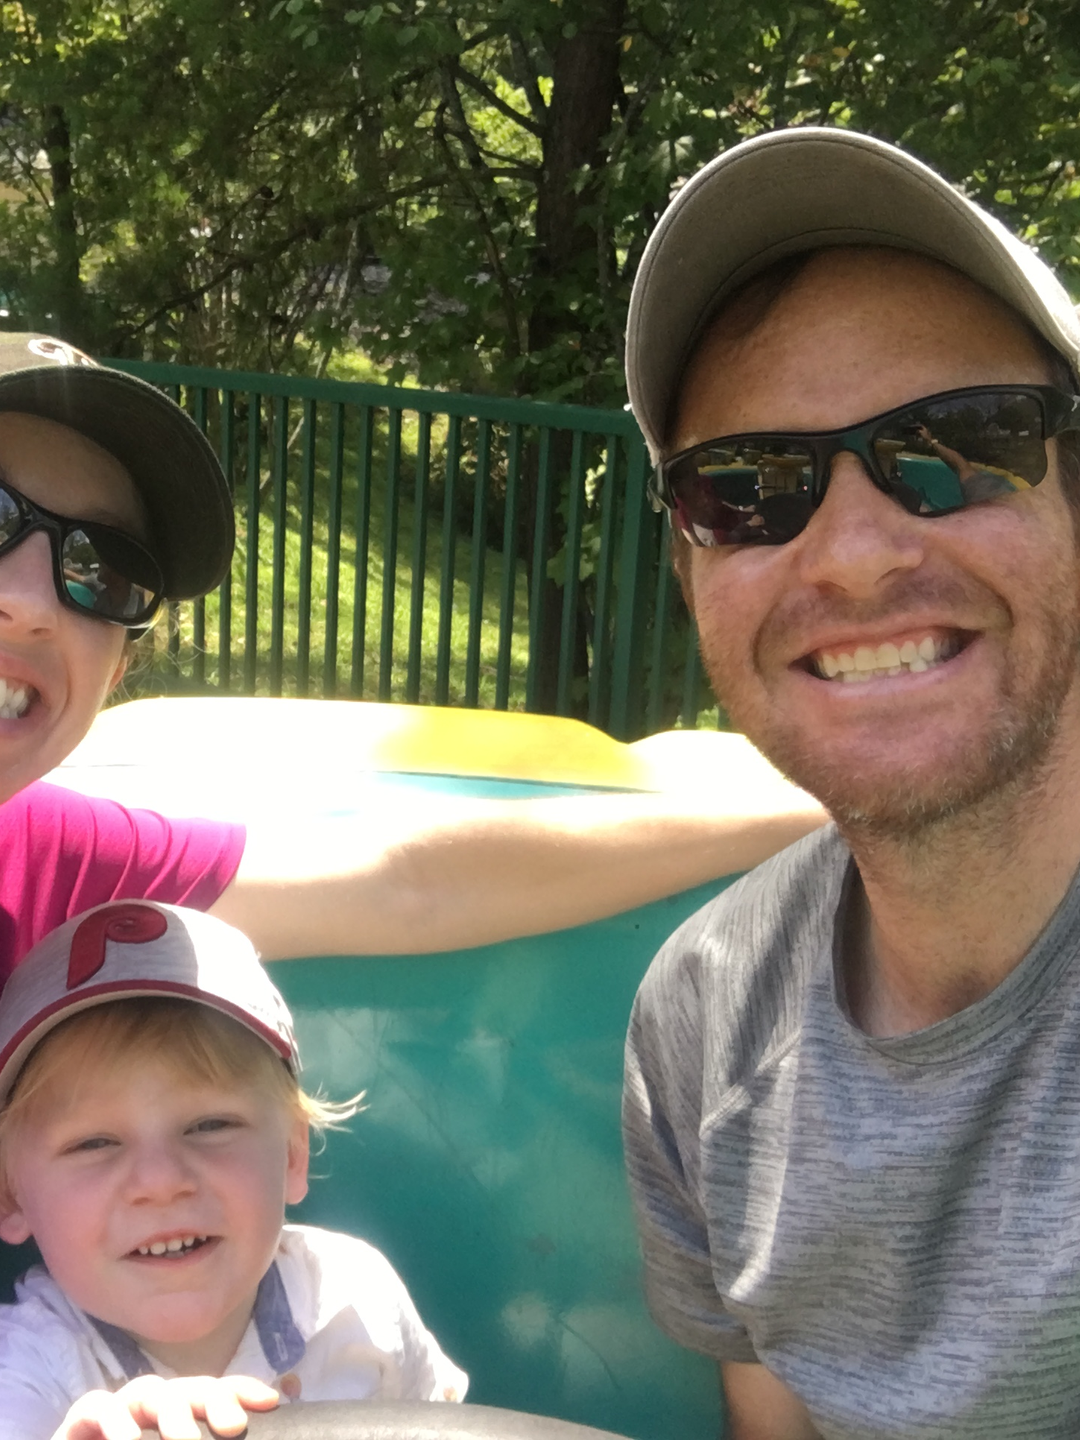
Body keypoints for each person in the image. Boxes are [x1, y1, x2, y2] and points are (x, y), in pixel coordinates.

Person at [621, 126, 1080, 1439]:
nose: (856, 555)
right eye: (747, 489)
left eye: (958, 443)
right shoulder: (703, 1015)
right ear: (694, 575)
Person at [0, 331, 824, 975]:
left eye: (102, 570)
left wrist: (826, 814)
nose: (32, 603)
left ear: (115, 669)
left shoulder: (53, 863)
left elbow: (407, 884)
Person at [0, 899, 467, 1440]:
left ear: (293, 1154)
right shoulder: (25, 1370)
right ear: (9, 1194)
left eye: (210, 1125)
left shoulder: (357, 1301)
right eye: (94, 1143)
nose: (161, 1181)